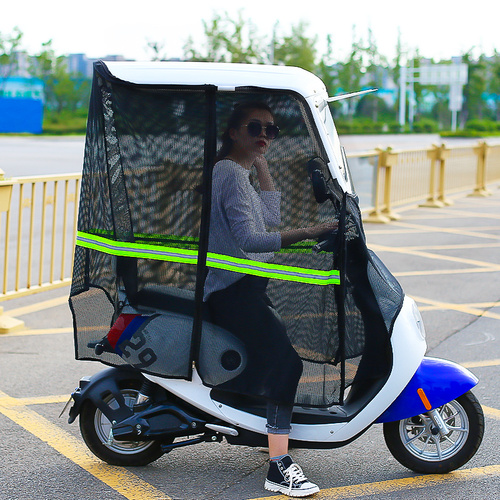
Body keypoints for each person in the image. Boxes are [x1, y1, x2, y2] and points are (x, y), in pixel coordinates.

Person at [204, 101, 337, 497]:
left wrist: (261, 165)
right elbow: (251, 240)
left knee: (275, 359)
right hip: (232, 291)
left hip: (246, 288)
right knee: (286, 364)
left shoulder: (237, 172)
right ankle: (278, 465)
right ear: (233, 132)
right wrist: (313, 230)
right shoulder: (227, 172)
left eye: (271, 131)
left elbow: (271, 220)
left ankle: (261, 431)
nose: (264, 134)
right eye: (254, 128)